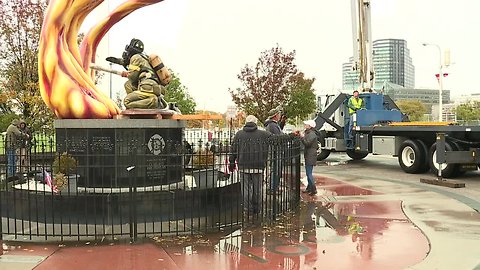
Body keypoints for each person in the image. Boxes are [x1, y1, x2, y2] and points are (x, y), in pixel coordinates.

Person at [229, 115, 271, 217]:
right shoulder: (263, 134)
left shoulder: (239, 134)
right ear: (256, 122)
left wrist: (232, 162)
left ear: (245, 122)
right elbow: (276, 139)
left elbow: (233, 149)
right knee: (258, 189)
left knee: (246, 188)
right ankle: (257, 208)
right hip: (258, 165)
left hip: (244, 165)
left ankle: (248, 209)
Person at [120, 38, 170, 109]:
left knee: (127, 101)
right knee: (128, 84)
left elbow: (133, 77)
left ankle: (151, 101)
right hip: (155, 87)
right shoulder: (146, 58)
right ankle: (149, 101)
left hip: (148, 87)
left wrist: (127, 74)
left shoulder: (135, 57)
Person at [264, 106, 283, 194]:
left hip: (274, 150)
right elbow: (278, 137)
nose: (280, 116)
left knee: (276, 170)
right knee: (275, 170)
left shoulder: (272, 125)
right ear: (275, 116)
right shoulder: (272, 125)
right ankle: (272, 188)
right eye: (279, 114)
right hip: (275, 150)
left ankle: (274, 187)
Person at [300, 120, 318, 195]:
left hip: (310, 155)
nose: (304, 125)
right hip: (309, 155)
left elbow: (307, 143)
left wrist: (302, 137)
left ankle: (313, 189)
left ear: (310, 126)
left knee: (309, 173)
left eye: (306, 124)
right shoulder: (309, 133)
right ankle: (309, 188)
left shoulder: (312, 134)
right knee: (308, 172)